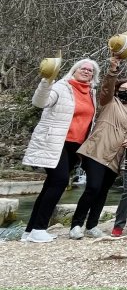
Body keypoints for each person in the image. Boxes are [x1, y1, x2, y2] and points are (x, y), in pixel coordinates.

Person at [22, 59, 100, 243]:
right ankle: (40, 228)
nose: (87, 71)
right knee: (59, 181)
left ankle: (30, 230)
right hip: (56, 142)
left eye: (90, 70)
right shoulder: (61, 87)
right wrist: (46, 81)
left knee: (50, 185)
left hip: (75, 146)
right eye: (83, 68)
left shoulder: (91, 93)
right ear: (74, 70)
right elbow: (40, 102)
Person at [70, 56, 127, 240]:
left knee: (103, 191)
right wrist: (113, 71)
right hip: (97, 150)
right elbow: (107, 88)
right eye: (123, 89)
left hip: (116, 156)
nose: (126, 91)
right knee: (92, 187)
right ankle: (76, 225)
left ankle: (92, 225)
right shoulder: (109, 102)